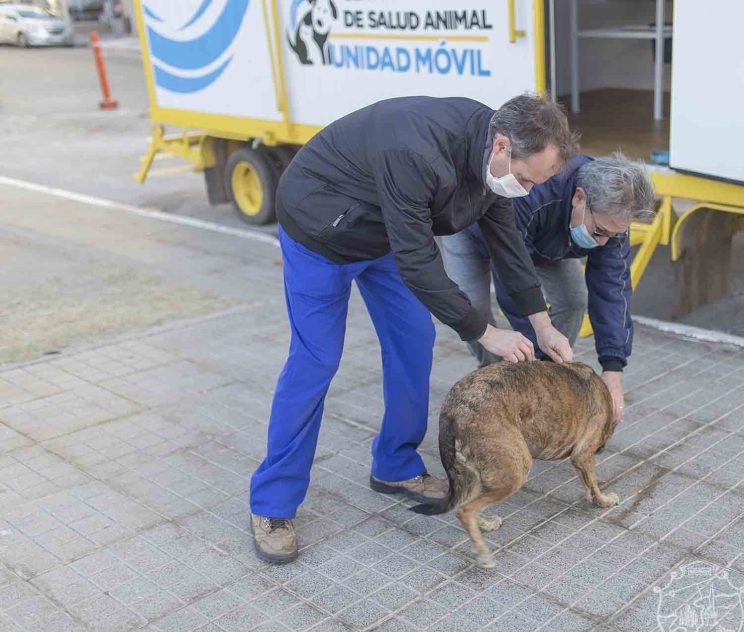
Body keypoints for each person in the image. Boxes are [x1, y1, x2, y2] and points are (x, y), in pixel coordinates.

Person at [249, 95, 577, 564]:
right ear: (502, 145)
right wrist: (485, 331)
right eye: (525, 178)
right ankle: (272, 504)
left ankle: (395, 465)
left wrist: (541, 324)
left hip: (384, 234)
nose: (524, 188)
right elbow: (420, 265)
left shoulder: (492, 167)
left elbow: (508, 248)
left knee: (414, 340)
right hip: (319, 231)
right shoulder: (417, 151)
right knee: (316, 360)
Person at [441, 154, 654, 424]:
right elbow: (513, 277)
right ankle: (497, 376)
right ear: (579, 197)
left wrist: (613, 367)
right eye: (599, 231)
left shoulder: (612, 219)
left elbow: (613, 286)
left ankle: (546, 372)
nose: (603, 243)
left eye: (614, 235)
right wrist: (533, 339)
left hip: (544, 240)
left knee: (574, 300)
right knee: (472, 310)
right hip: (472, 228)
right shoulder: (536, 193)